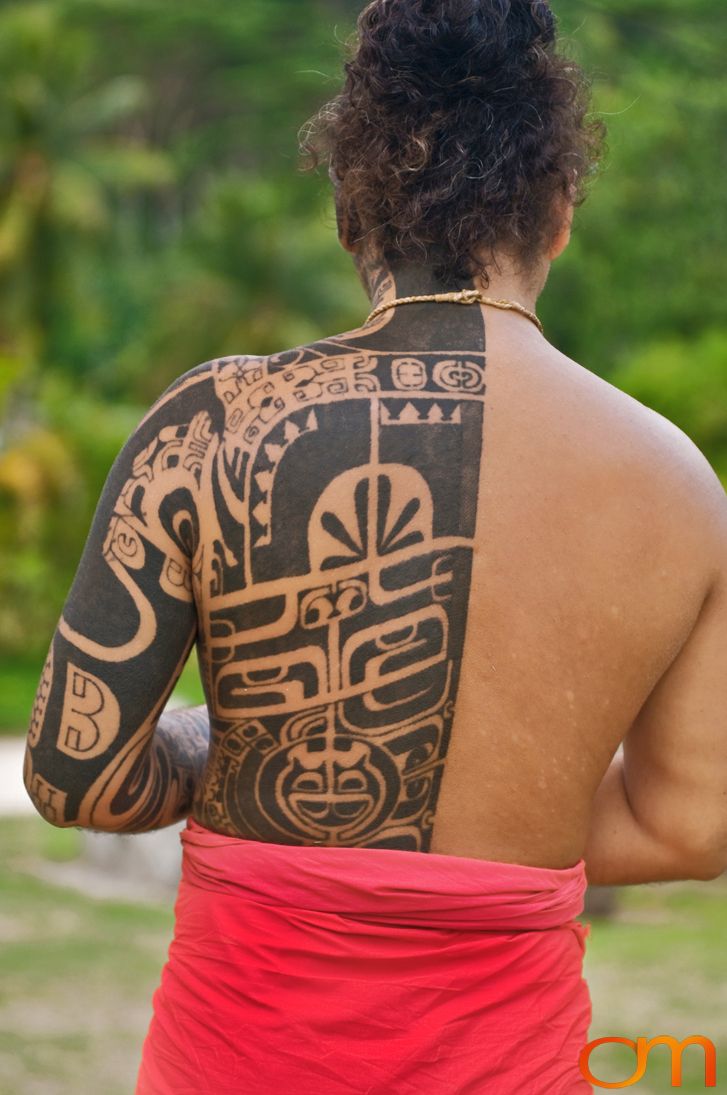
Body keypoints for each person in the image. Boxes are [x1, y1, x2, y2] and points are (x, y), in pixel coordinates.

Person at [23, 1, 727, 1092]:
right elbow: (690, 827)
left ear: (352, 215)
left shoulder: (215, 425)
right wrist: (502, 800)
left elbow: (77, 778)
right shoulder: (677, 484)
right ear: (559, 214)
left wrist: (234, 748)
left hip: (236, 1062)